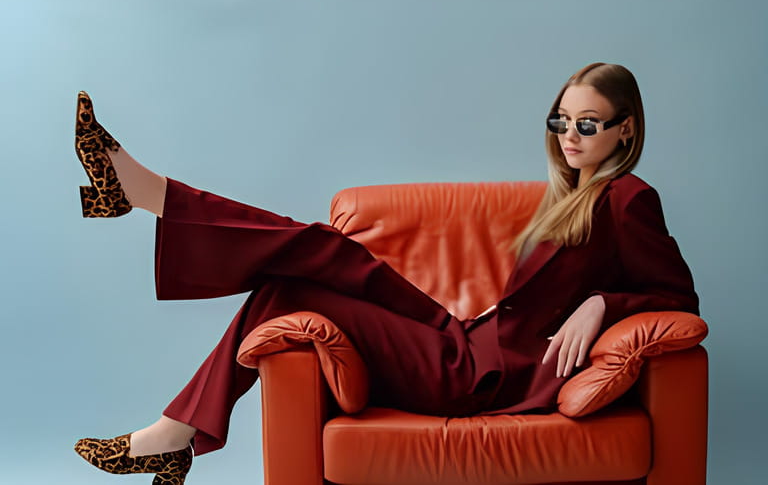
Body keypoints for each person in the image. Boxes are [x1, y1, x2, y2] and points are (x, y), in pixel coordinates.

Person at [73, 62, 699, 484]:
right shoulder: (568, 197)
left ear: (626, 129)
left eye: (587, 125)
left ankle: (148, 201)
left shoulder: (628, 198)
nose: (569, 135)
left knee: (295, 279)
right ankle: (154, 198)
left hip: (481, 378)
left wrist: (601, 306)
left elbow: (679, 300)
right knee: (316, 257)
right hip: (463, 338)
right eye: (560, 120)